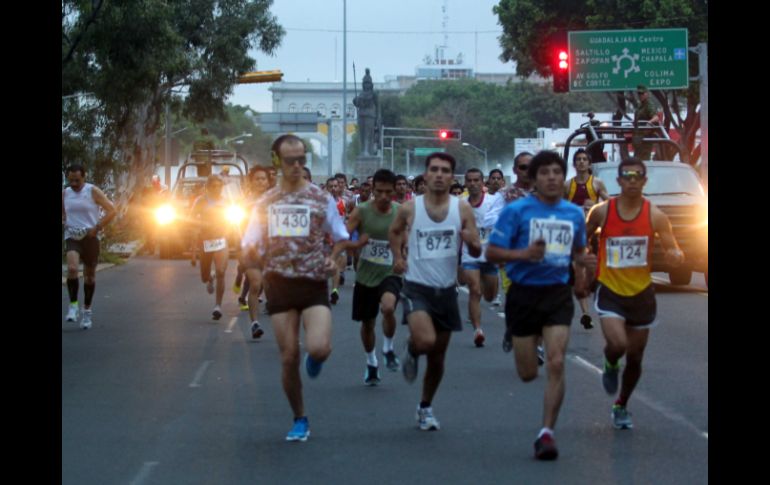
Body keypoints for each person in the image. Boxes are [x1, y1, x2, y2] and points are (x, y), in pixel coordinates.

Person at [241, 134, 365, 442]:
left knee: (320, 348)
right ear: (277, 162)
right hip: (279, 284)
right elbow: (248, 243)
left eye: (301, 160)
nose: (297, 166)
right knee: (287, 357)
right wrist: (254, 261)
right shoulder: (264, 202)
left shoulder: (319, 198)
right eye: (290, 161)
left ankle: (316, 358)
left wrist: (334, 260)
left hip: (312, 283)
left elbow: (339, 236)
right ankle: (299, 418)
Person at [486, 150, 595, 460]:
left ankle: (546, 432)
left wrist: (583, 270)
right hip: (523, 293)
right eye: (544, 173)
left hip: (557, 293)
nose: (551, 178)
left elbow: (578, 250)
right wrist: (523, 255)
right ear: (533, 179)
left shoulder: (573, 214)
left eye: (556, 172)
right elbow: (493, 253)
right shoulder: (517, 211)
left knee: (557, 361)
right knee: (527, 373)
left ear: (564, 178)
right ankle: (519, 339)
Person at [585, 158, 684, 430]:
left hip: (641, 292)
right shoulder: (602, 212)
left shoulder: (656, 216)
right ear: (618, 181)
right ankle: (610, 362)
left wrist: (676, 256)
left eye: (637, 176)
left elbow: (672, 248)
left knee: (637, 356)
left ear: (644, 181)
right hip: (610, 288)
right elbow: (582, 240)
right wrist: (584, 262)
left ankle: (621, 404)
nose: (631, 181)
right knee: (618, 345)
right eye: (626, 176)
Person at [389, 152, 482, 431]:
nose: (439, 174)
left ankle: (425, 406)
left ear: (452, 176)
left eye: (445, 170)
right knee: (427, 341)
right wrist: (397, 257)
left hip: (446, 289)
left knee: (438, 356)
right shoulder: (410, 208)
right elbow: (394, 232)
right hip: (416, 287)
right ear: (426, 175)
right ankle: (414, 347)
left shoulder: (462, 208)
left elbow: (476, 247)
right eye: (434, 170)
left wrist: (471, 243)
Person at [346, 169, 402, 385]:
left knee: (388, 307)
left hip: (390, 272)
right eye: (379, 192)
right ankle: (371, 362)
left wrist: (401, 257)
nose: (384, 197)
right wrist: (353, 244)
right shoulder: (361, 211)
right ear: (372, 190)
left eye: (388, 192)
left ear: (394, 191)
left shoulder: (400, 212)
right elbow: (345, 235)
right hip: (366, 274)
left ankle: (388, 347)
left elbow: (406, 239)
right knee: (367, 323)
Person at [62, 164, 117, 329]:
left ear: (84, 177)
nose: (74, 184)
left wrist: (98, 227)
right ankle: (73, 306)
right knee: (72, 269)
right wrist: (64, 220)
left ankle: (87, 312)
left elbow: (112, 210)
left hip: (90, 237)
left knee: (90, 276)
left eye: (77, 180)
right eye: (70, 180)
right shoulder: (65, 193)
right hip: (72, 236)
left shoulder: (92, 191)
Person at [564, 148, 610, 329]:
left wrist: (596, 205)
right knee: (579, 274)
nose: (581, 162)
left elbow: (610, 204)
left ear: (589, 164)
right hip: (574, 235)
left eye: (584, 159)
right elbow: (557, 205)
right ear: (574, 164)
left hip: (594, 234)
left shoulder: (597, 184)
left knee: (595, 274)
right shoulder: (568, 186)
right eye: (578, 159)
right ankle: (585, 313)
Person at [460, 168, 502, 347]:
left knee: (490, 296)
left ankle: (486, 297)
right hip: (469, 255)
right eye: (469, 180)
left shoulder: (493, 202)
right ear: (465, 183)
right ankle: (478, 330)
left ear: (482, 182)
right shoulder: (461, 204)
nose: (473, 184)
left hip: (490, 254)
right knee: (475, 290)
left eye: (476, 180)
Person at [190, 175, 230, 320]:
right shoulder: (201, 201)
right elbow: (192, 220)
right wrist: (193, 249)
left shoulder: (227, 202)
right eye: (213, 186)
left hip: (221, 239)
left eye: (219, 186)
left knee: (221, 271)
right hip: (206, 241)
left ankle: (218, 306)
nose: (216, 189)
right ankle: (210, 278)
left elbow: (235, 218)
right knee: (204, 276)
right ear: (208, 187)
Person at [240, 166, 271, 337]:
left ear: (268, 182)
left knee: (269, 286)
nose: (260, 182)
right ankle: (255, 323)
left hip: (270, 250)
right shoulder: (245, 203)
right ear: (251, 182)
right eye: (257, 179)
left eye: (263, 178)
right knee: (255, 284)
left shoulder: (274, 201)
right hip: (250, 250)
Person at [352, 68, 380, 156]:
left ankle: (367, 151)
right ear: (363, 84)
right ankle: (363, 150)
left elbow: (378, 106)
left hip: (370, 116)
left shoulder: (373, 94)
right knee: (362, 135)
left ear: (371, 84)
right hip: (361, 116)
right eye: (365, 83)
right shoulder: (361, 94)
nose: (367, 85)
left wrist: (378, 118)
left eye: (368, 83)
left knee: (368, 134)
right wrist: (355, 101)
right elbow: (357, 104)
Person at [632, 85, 660, 161]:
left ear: (646, 94)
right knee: (636, 161)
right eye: (639, 94)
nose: (640, 95)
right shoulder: (640, 105)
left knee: (643, 162)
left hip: (645, 138)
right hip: (638, 138)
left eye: (642, 93)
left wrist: (649, 123)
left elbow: (656, 118)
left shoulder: (649, 105)